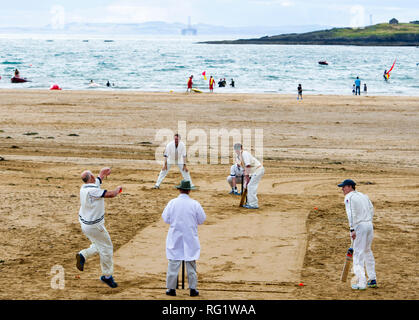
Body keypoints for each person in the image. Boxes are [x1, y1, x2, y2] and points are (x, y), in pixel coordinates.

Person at [76, 167, 123, 288]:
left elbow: (96, 183)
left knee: (99, 245)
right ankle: (107, 276)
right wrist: (118, 190)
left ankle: (83, 255)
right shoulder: (92, 190)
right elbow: (110, 194)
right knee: (107, 248)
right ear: (91, 178)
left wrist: (102, 174)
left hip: (85, 224)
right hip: (94, 226)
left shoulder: (84, 187)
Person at [162, 180, 206, 297]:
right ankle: (192, 288)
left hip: (175, 235)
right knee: (191, 263)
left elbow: (165, 218)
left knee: (173, 263)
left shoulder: (172, 203)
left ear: (179, 189)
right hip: (190, 236)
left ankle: (171, 288)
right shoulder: (195, 204)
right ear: (189, 190)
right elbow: (202, 219)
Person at [338, 179, 377, 290]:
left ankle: (361, 282)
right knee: (367, 251)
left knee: (358, 254)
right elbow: (371, 209)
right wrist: (368, 221)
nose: (342, 189)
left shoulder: (349, 197)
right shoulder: (364, 196)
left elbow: (351, 213)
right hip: (369, 225)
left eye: (344, 187)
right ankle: (372, 279)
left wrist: (352, 229)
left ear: (350, 187)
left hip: (359, 226)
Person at [234, 143, 265, 209]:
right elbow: (244, 169)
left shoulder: (244, 153)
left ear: (241, 148)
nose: (237, 150)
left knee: (251, 186)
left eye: (238, 148)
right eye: (236, 149)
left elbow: (248, 165)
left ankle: (253, 204)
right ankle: (249, 202)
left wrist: (247, 178)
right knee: (247, 185)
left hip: (258, 170)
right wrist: (246, 179)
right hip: (252, 172)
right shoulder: (239, 157)